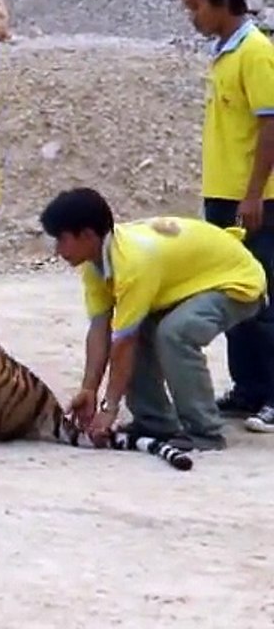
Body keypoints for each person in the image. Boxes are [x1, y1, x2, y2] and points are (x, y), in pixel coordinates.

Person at [40, 187, 267, 451]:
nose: (57, 249)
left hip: (237, 283)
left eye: (62, 239)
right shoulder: (95, 262)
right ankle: (155, 422)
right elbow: (100, 328)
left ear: (88, 235)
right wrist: (88, 389)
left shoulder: (133, 262)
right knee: (140, 331)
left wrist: (109, 408)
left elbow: (123, 343)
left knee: (175, 333)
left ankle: (205, 432)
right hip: (193, 284)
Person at [176, 0, 274, 433]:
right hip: (222, 195)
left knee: (263, 293)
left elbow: (270, 125)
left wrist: (253, 195)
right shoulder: (225, 53)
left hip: (253, 199)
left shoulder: (255, 52)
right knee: (232, 291)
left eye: (196, 5)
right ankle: (248, 387)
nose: (192, 16)